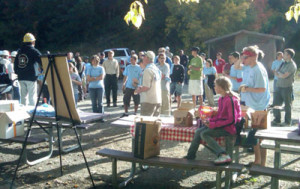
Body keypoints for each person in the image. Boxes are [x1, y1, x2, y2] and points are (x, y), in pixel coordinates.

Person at [185, 77, 241, 165]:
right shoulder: (221, 99)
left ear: (221, 88)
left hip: (229, 129)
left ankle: (223, 154)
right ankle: (190, 155)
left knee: (204, 134)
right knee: (199, 131)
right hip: (222, 125)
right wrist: (209, 121)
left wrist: (213, 124)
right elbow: (220, 116)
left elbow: (232, 120)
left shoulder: (231, 100)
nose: (214, 87)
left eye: (216, 86)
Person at [239, 45, 270, 166]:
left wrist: (247, 89)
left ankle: (262, 163)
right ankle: (258, 161)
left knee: (259, 136)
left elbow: (262, 89)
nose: (243, 60)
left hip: (259, 107)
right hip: (252, 106)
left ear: (254, 57)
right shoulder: (251, 67)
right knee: (254, 136)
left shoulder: (258, 69)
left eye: (245, 58)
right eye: (242, 57)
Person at [14, 33, 41, 106]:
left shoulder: (19, 51)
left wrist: (17, 72)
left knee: (23, 97)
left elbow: (16, 63)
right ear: (33, 42)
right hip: (31, 77)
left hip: (21, 77)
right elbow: (42, 61)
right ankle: (32, 114)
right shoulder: (34, 51)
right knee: (32, 97)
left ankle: (23, 113)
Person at [273, 48, 297, 126]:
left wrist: (280, 74)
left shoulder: (292, 65)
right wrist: (280, 74)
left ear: (289, 55)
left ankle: (287, 122)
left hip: (287, 87)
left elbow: (284, 75)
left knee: (287, 105)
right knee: (276, 103)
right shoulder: (283, 63)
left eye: (285, 53)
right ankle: (277, 119)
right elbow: (276, 72)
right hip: (279, 86)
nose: (283, 55)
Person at [135, 51, 162, 116]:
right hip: (157, 99)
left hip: (148, 100)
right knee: (155, 124)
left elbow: (146, 87)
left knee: (146, 123)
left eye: (143, 57)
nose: (142, 58)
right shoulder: (156, 69)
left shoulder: (147, 70)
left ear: (147, 58)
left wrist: (138, 90)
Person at [86, 55, 105, 122]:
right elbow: (88, 78)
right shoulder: (89, 68)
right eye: (93, 60)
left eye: (96, 60)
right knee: (94, 103)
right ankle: (95, 117)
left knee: (100, 103)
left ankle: (101, 117)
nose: (95, 61)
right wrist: (96, 78)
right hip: (92, 88)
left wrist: (93, 78)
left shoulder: (101, 68)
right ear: (91, 61)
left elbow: (102, 77)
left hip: (100, 87)